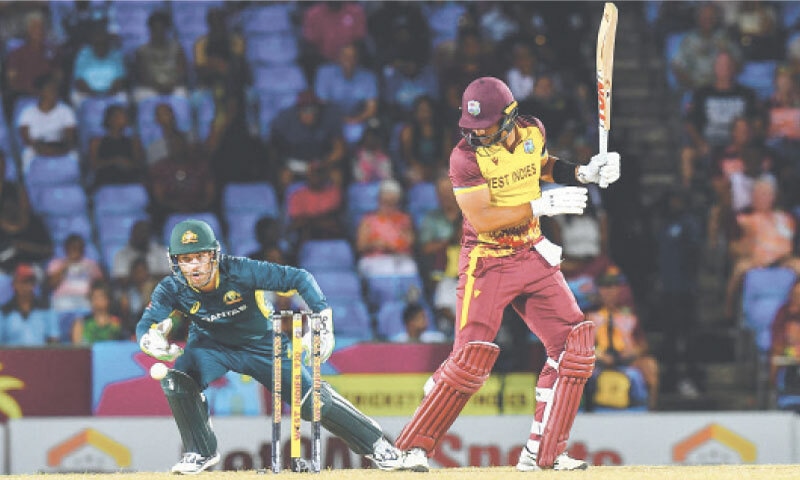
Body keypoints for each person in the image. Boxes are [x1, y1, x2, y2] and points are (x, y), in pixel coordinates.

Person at [394, 77, 621, 472]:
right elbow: (483, 220)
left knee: (575, 347)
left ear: (510, 118)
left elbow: (540, 164)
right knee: (468, 359)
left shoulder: (532, 129)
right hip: (489, 261)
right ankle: (411, 449)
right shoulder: (464, 158)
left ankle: (542, 452)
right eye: (471, 128)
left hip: (531, 253)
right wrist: (540, 206)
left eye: (485, 129)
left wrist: (584, 173)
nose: (477, 136)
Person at [136, 219, 404, 474]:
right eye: (185, 259)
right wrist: (150, 340)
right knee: (177, 381)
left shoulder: (241, 271)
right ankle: (199, 452)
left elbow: (300, 278)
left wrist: (322, 319)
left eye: (200, 256)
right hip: (209, 346)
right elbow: (148, 323)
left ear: (214, 255)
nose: (194, 266)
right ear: (175, 262)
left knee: (312, 403)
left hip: (262, 346)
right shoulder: (171, 288)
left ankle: (378, 445)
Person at [585, 266, 660, 410]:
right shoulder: (588, 314)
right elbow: (577, 344)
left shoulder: (629, 313)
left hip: (626, 358)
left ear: (619, 290)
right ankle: (586, 411)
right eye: (605, 287)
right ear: (598, 290)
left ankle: (650, 411)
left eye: (613, 287)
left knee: (650, 366)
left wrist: (634, 352)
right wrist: (596, 354)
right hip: (598, 358)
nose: (609, 291)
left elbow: (643, 344)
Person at [133, 10, 189, 102]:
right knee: (141, 95)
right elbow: (141, 75)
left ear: (166, 29)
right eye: (155, 29)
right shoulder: (142, 51)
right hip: (150, 88)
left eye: (161, 29)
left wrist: (171, 85)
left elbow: (182, 73)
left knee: (182, 95)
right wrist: (157, 87)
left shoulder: (177, 49)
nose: (158, 32)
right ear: (150, 29)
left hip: (173, 87)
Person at [88, 104, 146, 190]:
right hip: (105, 183)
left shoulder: (134, 141)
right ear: (110, 119)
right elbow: (93, 165)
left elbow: (139, 164)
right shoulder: (96, 141)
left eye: (124, 116)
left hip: (129, 182)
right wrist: (114, 161)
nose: (122, 119)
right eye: (118, 116)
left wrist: (127, 164)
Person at [0, 263, 59, 346]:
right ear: (14, 285)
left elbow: (53, 339)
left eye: (31, 282)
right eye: (24, 282)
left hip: (40, 356)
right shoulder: (4, 311)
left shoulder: (45, 308)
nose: (28, 286)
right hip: (12, 357)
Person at [72, 279, 124, 344]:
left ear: (108, 299)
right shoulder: (81, 323)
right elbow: (78, 349)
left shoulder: (116, 324)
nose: (96, 301)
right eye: (93, 297)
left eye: (100, 296)